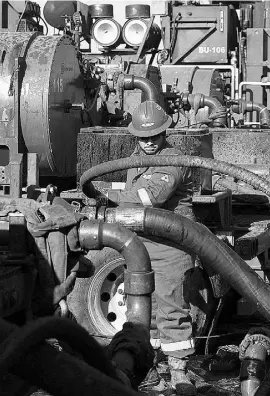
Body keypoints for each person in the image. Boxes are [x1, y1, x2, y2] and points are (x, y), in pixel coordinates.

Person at [105, 100, 197, 395]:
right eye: (143, 138)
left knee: (171, 308)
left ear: (164, 132)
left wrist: (107, 197)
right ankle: (152, 369)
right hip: (143, 246)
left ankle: (180, 372)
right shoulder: (137, 157)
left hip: (171, 247)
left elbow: (147, 198)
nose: (147, 143)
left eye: (153, 137)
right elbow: (132, 192)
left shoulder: (172, 160)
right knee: (150, 312)